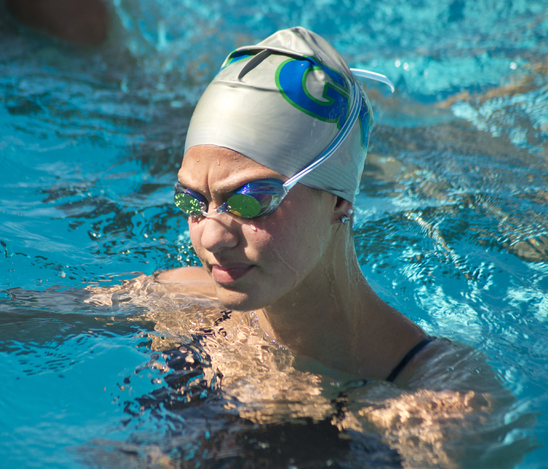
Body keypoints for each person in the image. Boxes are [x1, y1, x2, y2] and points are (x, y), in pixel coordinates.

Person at [156, 26, 437, 383]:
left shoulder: (435, 401)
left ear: (338, 200)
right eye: (191, 199)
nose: (211, 238)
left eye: (250, 199)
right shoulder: (180, 303)